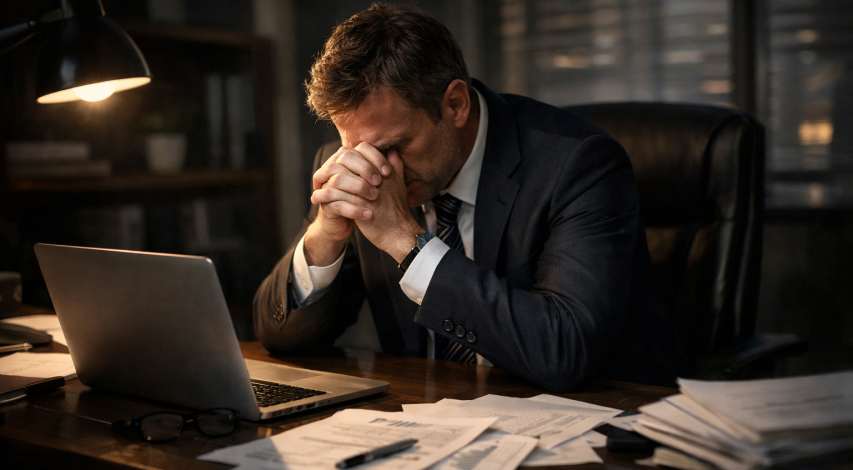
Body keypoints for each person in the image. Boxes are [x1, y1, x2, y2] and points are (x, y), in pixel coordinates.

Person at [254, 3, 687, 392]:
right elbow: (279, 336)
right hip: (432, 423)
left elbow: (565, 350)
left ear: (456, 105)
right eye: (356, 147)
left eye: (392, 146)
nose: (378, 169)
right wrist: (325, 235)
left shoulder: (578, 164)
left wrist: (407, 242)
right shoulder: (354, 169)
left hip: (601, 421)